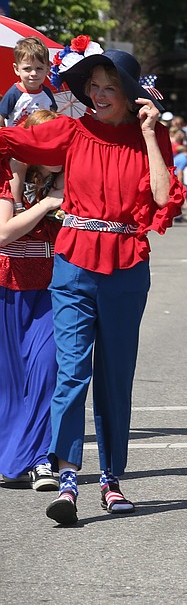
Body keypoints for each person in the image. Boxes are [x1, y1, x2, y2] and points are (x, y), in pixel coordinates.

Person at [0, 49, 184, 525]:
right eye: (94, 87)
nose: (99, 96)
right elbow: (13, 140)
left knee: (115, 377)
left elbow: (165, 197)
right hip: (74, 264)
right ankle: (66, 481)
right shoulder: (71, 129)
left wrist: (148, 133)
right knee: (70, 375)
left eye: (110, 88)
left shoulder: (152, 135)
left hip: (126, 267)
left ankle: (111, 479)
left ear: (129, 95)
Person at [0, 110, 63, 490]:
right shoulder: (10, 176)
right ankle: (11, 455)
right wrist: (45, 201)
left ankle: (42, 459)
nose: (58, 149)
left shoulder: (69, 173)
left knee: (48, 368)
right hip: (8, 286)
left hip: (55, 289)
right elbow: (3, 234)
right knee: (9, 381)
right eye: (46, 142)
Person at [1, 37, 56, 127]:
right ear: (17, 69)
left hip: (41, 137)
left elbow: (53, 115)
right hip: (17, 139)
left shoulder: (47, 93)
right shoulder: (14, 93)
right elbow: (1, 116)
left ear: (47, 69)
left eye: (39, 68)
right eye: (27, 68)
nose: (33, 73)